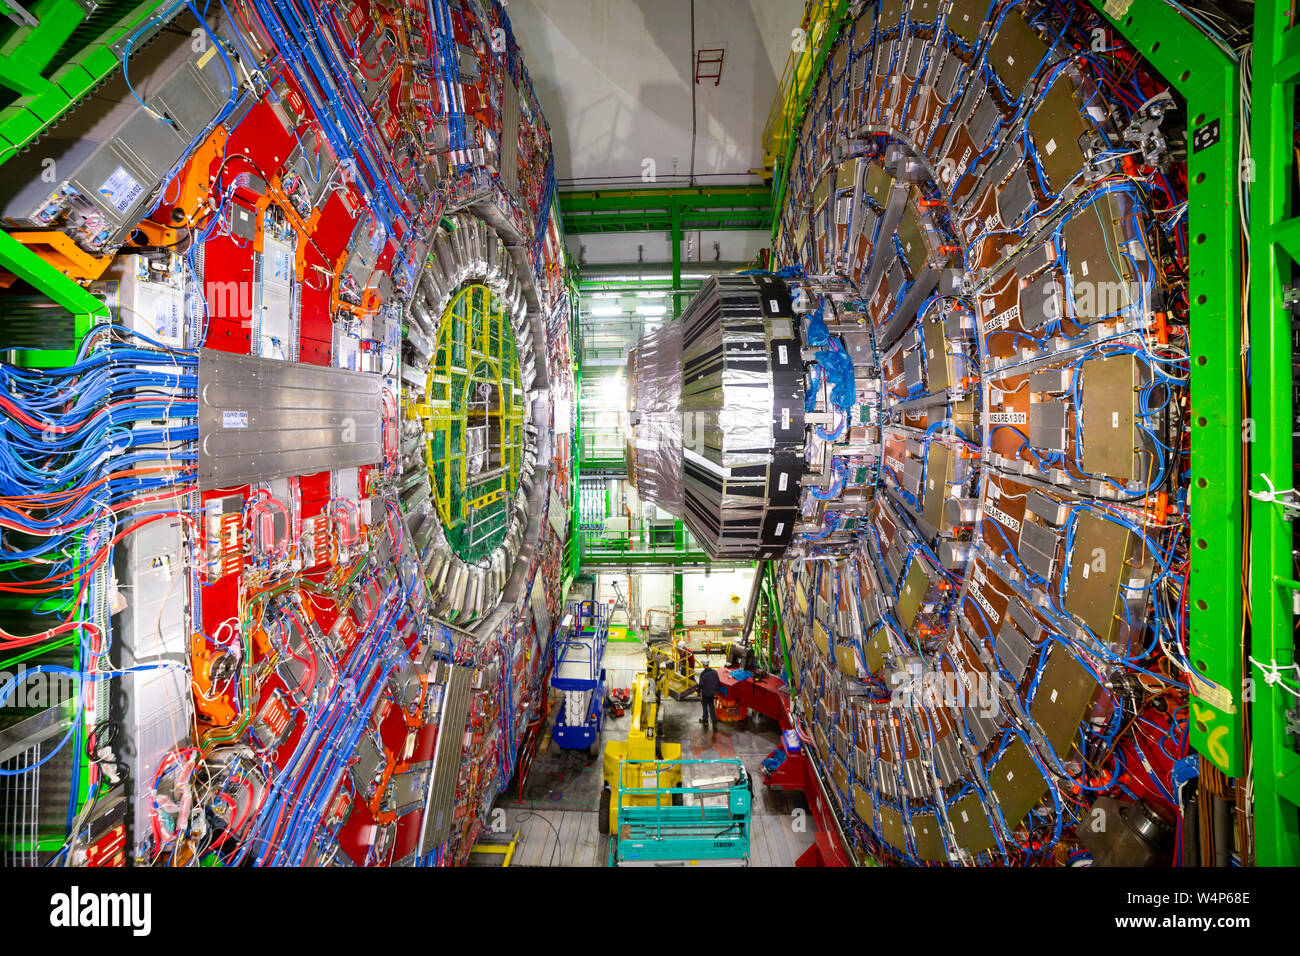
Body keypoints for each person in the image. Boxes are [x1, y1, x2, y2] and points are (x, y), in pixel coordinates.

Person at [697, 666, 720, 731]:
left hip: (705, 694)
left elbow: (701, 684)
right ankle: (714, 722)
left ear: (703, 665)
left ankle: (705, 721)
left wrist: (699, 691)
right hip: (712, 694)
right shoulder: (714, 672)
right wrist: (716, 691)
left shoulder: (703, 674)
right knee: (712, 707)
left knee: (705, 707)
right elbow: (718, 682)